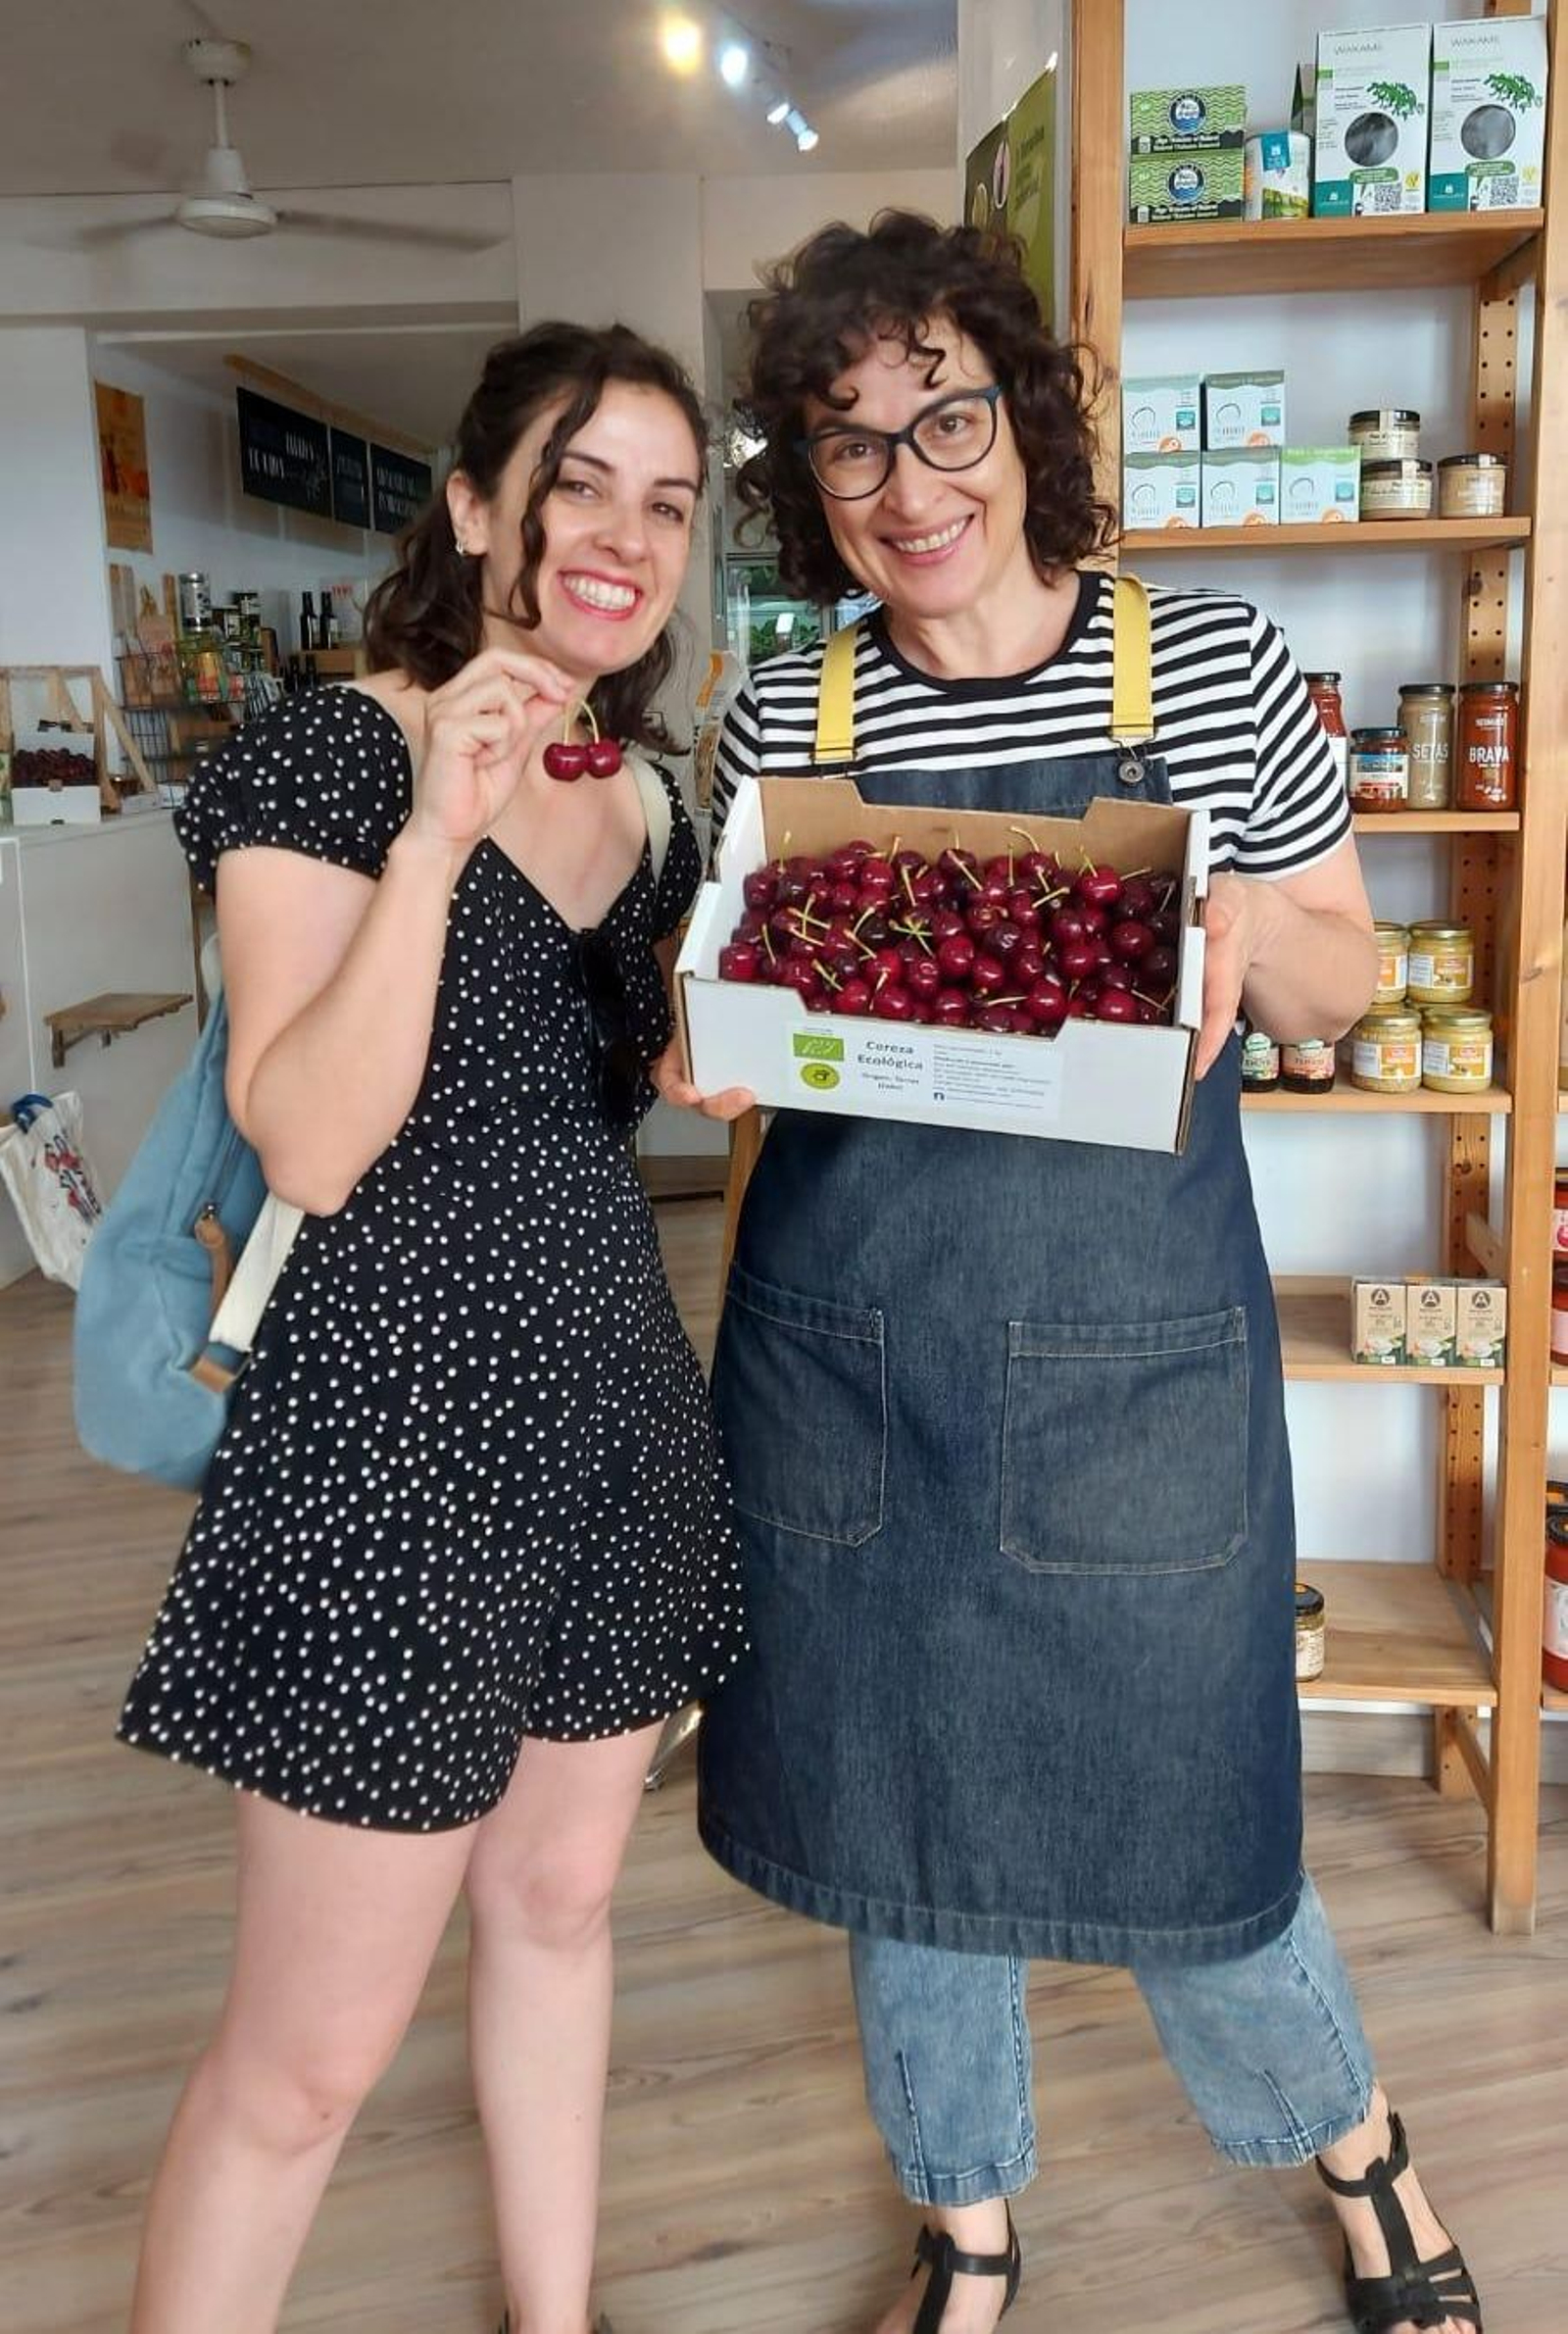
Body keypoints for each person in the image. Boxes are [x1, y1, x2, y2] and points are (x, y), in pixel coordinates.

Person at [662, 215, 1481, 2334]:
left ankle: (1357, 2150)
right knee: (892, 1815)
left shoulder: (1195, 666)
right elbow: (746, 1038)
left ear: (1017, 421)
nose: (908, 487)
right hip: (845, 1355)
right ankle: (967, 2224)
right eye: (847, 450)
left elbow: (1338, 959)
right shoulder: (788, 703)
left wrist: (1239, 946)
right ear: (805, 488)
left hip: (1128, 1365)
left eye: (943, 418)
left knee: (1187, 1806)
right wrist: (704, 1038)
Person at [118, 321, 747, 2334]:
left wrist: (729, 1052)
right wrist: (434, 836)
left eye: (666, 503)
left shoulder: (649, 807)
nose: (623, 538)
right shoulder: (324, 754)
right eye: (581, 482)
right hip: (384, 1448)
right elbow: (307, 1138)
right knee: (304, 2062)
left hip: (607, 1419)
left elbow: (613, 1100)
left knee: (558, 1915)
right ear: (473, 504)